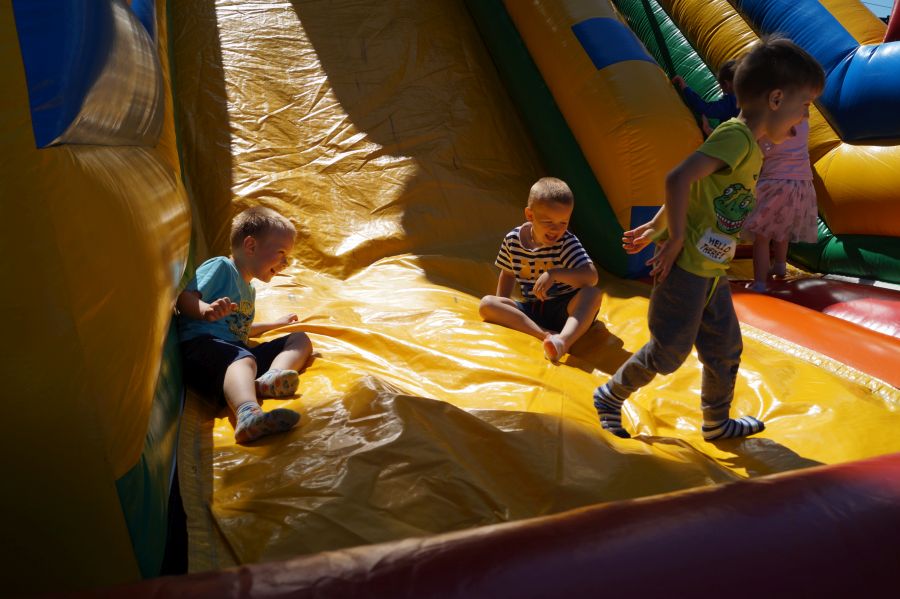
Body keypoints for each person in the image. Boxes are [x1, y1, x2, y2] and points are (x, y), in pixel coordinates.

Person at [593, 37, 824, 441]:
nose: (805, 115)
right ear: (775, 99)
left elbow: (697, 189)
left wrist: (657, 226)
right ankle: (610, 395)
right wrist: (675, 237)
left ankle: (716, 422)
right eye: (804, 104)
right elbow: (677, 177)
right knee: (668, 352)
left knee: (724, 349)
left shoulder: (752, 146)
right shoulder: (736, 137)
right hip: (687, 268)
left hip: (711, 270)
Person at [177, 206, 313, 443]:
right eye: (281, 253)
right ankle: (247, 414)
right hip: (202, 350)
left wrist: (273, 324)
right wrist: (206, 310)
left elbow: (240, 330)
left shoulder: (249, 289)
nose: (286, 262)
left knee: (299, 338)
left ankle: (270, 379)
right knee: (243, 358)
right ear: (251, 246)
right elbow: (184, 298)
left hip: (235, 356)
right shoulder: (221, 267)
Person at [479, 177, 603, 362]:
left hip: (566, 309)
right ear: (530, 215)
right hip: (533, 310)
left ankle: (563, 342)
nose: (556, 229)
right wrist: (503, 308)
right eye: (548, 222)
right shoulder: (513, 240)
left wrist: (554, 273)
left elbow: (591, 276)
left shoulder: (566, 243)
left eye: (563, 223)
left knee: (592, 294)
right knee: (487, 304)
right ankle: (545, 335)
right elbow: (508, 273)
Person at [743, 117, 818, 291]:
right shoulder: (802, 119)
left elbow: (750, 144)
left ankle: (760, 283)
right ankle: (780, 266)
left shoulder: (767, 120)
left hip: (775, 182)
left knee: (761, 237)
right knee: (781, 228)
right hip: (802, 184)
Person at [672, 60, 739, 136]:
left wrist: (684, 86)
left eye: (721, 85)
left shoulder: (731, 103)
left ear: (727, 84)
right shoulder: (748, 97)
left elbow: (703, 108)